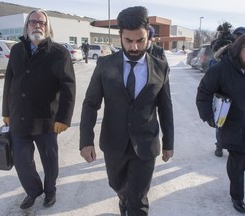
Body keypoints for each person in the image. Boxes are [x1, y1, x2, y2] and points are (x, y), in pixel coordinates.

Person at [79, 6, 174, 216]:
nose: (134, 46)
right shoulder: (105, 65)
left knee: (138, 200)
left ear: (148, 35)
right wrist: (86, 140)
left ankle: (131, 204)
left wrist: (169, 143)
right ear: (120, 36)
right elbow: (90, 104)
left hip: (146, 144)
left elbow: (165, 107)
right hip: (114, 143)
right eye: (128, 40)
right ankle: (124, 198)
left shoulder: (160, 68)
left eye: (140, 40)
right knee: (118, 186)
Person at [2, 10, 76, 209]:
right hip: (19, 117)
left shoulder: (59, 53)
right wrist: (6, 111)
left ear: (47, 26)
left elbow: (68, 87)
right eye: (33, 22)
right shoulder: (17, 50)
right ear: (27, 26)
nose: (37, 26)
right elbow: (9, 80)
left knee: (49, 161)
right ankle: (34, 191)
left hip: (47, 121)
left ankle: (50, 192)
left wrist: (64, 118)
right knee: (21, 161)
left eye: (41, 23)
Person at [196, 33, 245, 213]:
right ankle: (237, 197)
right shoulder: (222, 69)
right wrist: (209, 116)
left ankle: (234, 170)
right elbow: (204, 92)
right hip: (233, 126)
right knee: (238, 161)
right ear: (239, 50)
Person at [209, 26, 245, 157]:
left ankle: (238, 145)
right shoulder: (227, 50)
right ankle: (219, 145)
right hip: (225, 96)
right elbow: (214, 64)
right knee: (221, 122)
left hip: (242, 95)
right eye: (238, 37)